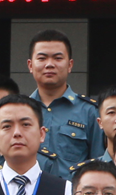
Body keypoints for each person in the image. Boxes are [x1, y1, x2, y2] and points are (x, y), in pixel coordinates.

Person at [26, 29, 102, 171]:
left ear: (70, 65)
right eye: (42, 58)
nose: (49, 64)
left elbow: (98, 163)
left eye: (58, 58)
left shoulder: (90, 112)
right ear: (30, 65)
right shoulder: (21, 110)